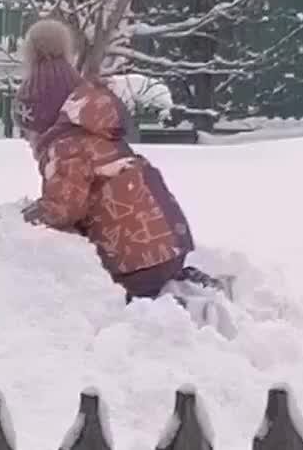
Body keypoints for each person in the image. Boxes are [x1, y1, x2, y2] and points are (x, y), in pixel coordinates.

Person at [14, 17, 227, 305]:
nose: (28, 141)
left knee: (93, 290)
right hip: (167, 245)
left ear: (42, 122)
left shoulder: (66, 148)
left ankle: (163, 311)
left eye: (28, 132)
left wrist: (22, 220)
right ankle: (177, 283)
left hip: (135, 263)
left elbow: (62, 210)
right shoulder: (98, 134)